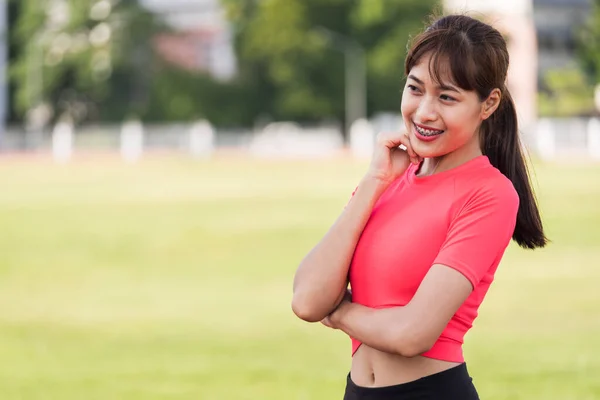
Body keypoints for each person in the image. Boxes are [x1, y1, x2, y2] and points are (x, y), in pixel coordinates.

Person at [291, 13, 548, 400]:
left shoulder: (489, 194)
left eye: (447, 97)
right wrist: (373, 183)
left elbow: (413, 334)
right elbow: (308, 299)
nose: (425, 112)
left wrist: (339, 312)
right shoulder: (386, 180)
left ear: (488, 104)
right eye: (415, 89)